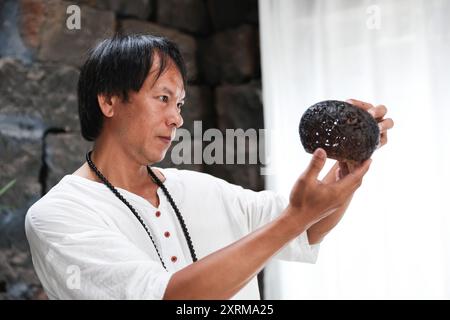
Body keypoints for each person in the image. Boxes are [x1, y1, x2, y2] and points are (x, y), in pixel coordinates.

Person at [25, 34, 394, 300]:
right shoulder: (58, 216)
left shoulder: (199, 188)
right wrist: (296, 218)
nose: (176, 119)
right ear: (109, 101)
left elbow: (307, 229)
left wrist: (350, 159)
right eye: (163, 98)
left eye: (180, 104)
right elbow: (168, 297)